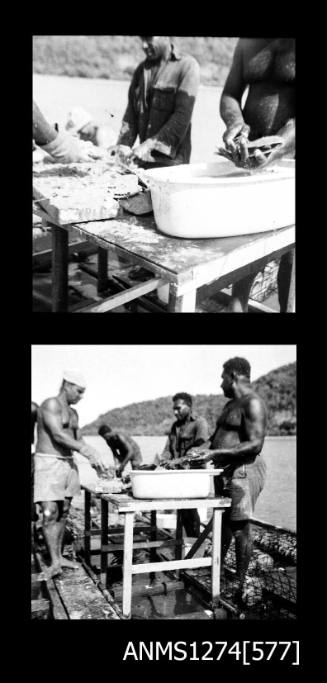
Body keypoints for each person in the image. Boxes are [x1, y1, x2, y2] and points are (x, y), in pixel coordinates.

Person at [219, 38, 295, 312]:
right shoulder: (247, 42)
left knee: (290, 252)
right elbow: (230, 93)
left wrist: (278, 146)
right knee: (247, 236)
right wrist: (236, 123)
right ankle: (236, 306)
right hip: (248, 159)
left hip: (291, 163)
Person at [189, 357, 267, 604]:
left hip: (244, 470)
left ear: (233, 375)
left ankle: (241, 583)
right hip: (224, 471)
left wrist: (214, 454)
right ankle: (218, 573)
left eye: (222, 377)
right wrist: (189, 456)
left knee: (240, 528)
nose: (220, 382)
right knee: (221, 524)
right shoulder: (230, 405)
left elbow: (255, 445)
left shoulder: (253, 402)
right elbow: (214, 441)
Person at [34, 370, 108, 580]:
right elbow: (57, 435)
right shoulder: (50, 405)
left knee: (65, 510)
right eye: (79, 391)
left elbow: (79, 440)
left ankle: (58, 558)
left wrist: (96, 459)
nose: (81, 396)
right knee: (49, 512)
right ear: (67, 385)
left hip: (68, 464)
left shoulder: (74, 413)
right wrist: (86, 451)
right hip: (48, 462)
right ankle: (54, 561)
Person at [112, 36, 200, 169]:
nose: (143, 45)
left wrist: (149, 145)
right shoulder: (141, 70)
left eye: (148, 38)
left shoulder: (187, 66)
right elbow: (131, 114)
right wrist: (123, 145)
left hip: (173, 165)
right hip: (142, 163)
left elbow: (182, 116)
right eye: (141, 39)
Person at [157, 392, 209, 538]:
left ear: (189, 406)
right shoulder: (175, 426)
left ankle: (194, 545)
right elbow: (168, 449)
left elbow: (201, 450)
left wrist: (178, 461)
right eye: (174, 409)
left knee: (191, 512)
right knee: (183, 512)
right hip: (178, 476)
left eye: (178, 408)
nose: (175, 412)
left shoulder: (200, 423)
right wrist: (161, 461)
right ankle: (186, 545)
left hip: (194, 476)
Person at [33, 100, 102, 164]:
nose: (80, 134)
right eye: (79, 131)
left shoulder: (102, 133)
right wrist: (61, 148)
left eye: (80, 131)